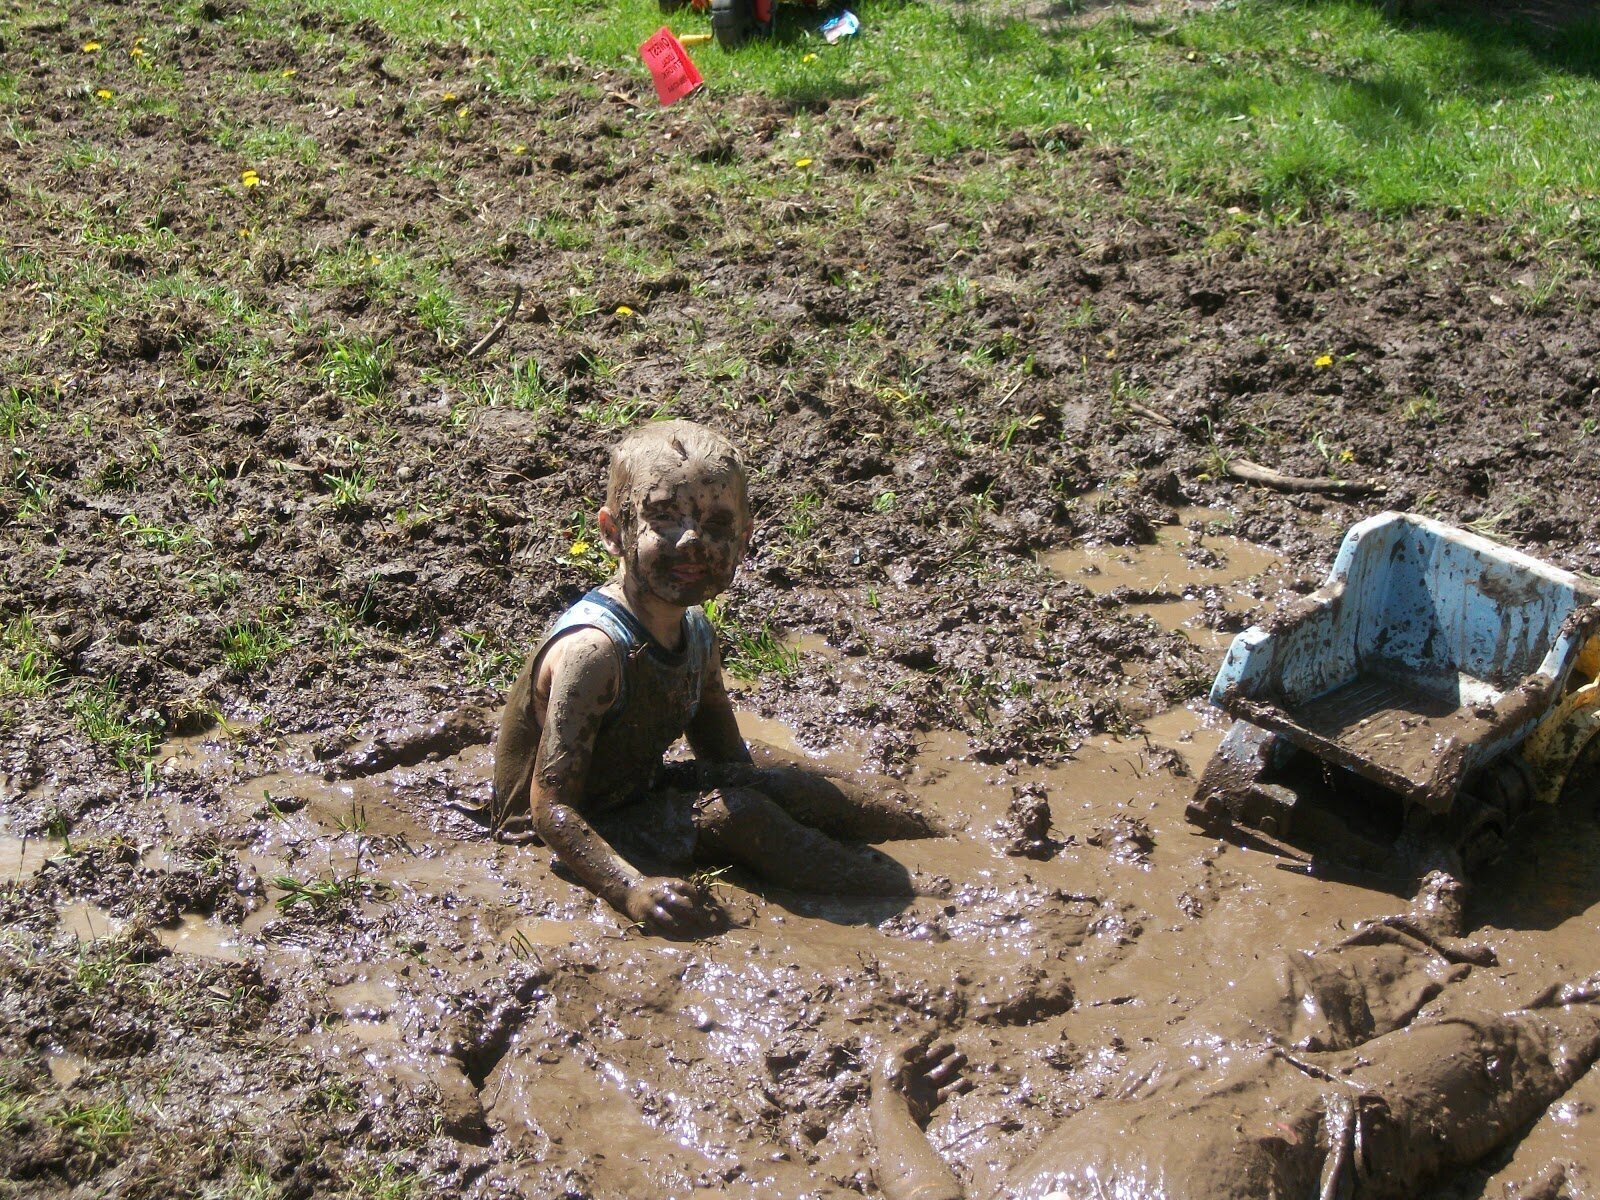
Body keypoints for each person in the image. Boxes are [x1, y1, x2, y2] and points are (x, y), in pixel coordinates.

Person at [868, 874, 1600, 1200]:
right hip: (1329, 1141)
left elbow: (928, 1189)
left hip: (1174, 1083)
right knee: (1490, 1049)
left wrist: (891, 1106)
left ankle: (1424, 942)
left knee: (1292, 980)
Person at [491, 420, 936, 937]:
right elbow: (552, 813)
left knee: (788, 777)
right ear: (614, 533)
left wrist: (787, 791)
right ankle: (926, 891)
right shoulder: (593, 652)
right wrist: (630, 890)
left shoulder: (696, 631)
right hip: (573, 831)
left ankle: (940, 835)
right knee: (741, 815)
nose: (693, 542)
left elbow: (726, 761)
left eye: (717, 525)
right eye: (663, 518)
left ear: (744, 540)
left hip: (637, 792)